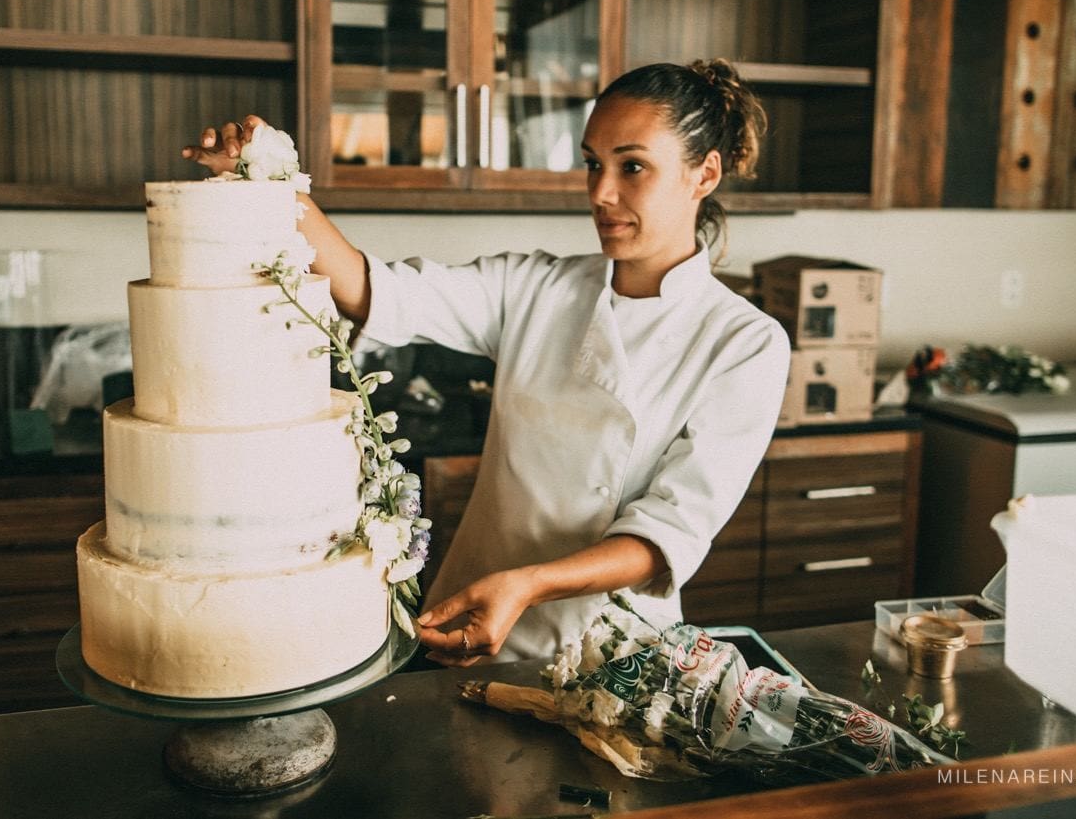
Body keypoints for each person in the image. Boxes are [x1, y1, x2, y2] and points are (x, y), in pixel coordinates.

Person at [183, 59, 790, 667]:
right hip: (469, 623)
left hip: (611, 653)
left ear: (703, 173)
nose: (602, 194)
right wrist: (272, 186)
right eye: (592, 164)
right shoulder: (536, 288)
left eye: (632, 166)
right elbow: (373, 288)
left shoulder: (743, 342)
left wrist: (528, 584)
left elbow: (667, 536)